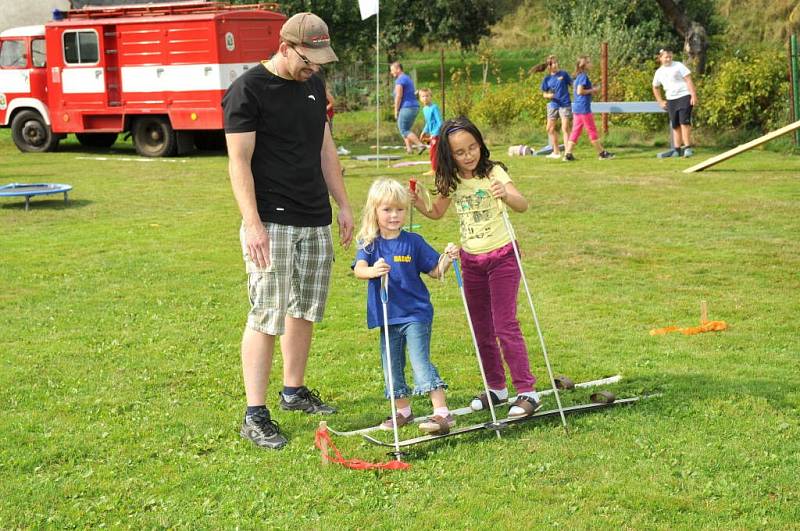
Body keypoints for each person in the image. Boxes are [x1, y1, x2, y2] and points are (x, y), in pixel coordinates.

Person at [222, 12, 354, 450]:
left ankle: (294, 391)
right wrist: (253, 223)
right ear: (284, 48)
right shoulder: (248, 90)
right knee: (267, 312)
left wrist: (343, 204)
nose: (314, 68)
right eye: (308, 59)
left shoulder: (313, 85)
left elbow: (325, 149)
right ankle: (255, 413)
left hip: (313, 215)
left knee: (305, 308)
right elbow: (238, 162)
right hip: (271, 221)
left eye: (319, 61)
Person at [411, 116, 542, 419]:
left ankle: (527, 390)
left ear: (481, 145)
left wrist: (505, 194)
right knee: (481, 328)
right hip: (471, 261)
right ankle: (496, 387)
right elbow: (436, 212)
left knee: (504, 325)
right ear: (449, 155)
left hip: (503, 256)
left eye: (473, 147)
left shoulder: (493, 172)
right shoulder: (452, 181)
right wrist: (419, 204)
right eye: (460, 152)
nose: (469, 155)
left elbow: (522, 204)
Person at [353, 179, 458, 434]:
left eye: (399, 210)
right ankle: (403, 410)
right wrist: (373, 270)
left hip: (415, 314)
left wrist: (447, 258)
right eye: (387, 210)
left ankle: (443, 413)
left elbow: (434, 271)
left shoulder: (414, 241)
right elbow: (359, 270)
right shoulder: (370, 243)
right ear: (374, 211)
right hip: (387, 314)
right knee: (392, 364)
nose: (394, 215)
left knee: (420, 361)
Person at [562, 56, 614, 162]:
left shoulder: (578, 76)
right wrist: (593, 90)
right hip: (583, 108)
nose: (591, 64)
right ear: (584, 65)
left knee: (575, 132)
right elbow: (580, 91)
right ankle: (602, 153)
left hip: (577, 108)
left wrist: (591, 90)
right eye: (589, 62)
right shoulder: (583, 76)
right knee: (592, 130)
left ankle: (568, 154)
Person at [652, 48, 698, 158]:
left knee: (684, 122)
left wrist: (693, 95)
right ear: (660, 58)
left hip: (684, 96)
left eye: (670, 57)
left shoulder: (679, 66)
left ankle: (687, 148)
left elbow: (688, 80)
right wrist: (660, 101)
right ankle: (676, 150)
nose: (668, 59)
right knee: (675, 125)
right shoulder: (659, 72)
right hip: (671, 99)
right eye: (666, 57)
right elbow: (655, 87)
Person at [533, 55, 572, 159]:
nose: (556, 64)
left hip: (565, 104)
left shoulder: (563, 74)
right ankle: (556, 152)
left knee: (565, 128)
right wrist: (549, 95)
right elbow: (544, 94)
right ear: (549, 66)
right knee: (550, 129)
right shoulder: (547, 79)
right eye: (553, 63)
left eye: (556, 62)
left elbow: (573, 84)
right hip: (553, 105)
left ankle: (568, 153)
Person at [390, 62, 425, 154]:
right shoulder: (407, 78)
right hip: (414, 107)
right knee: (405, 129)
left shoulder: (400, 80)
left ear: (398, 69)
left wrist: (396, 110)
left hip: (407, 107)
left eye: (392, 70)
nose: (391, 72)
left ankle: (420, 145)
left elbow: (398, 96)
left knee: (403, 129)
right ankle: (409, 149)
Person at [418, 87, 443, 172]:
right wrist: (424, 132)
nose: (425, 98)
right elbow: (428, 123)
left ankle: (434, 169)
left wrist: (435, 133)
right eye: (423, 96)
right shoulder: (425, 109)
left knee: (433, 152)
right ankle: (436, 168)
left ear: (431, 96)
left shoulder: (434, 107)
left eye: (427, 96)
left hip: (437, 134)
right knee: (433, 151)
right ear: (420, 98)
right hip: (432, 133)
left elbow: (440, 122)